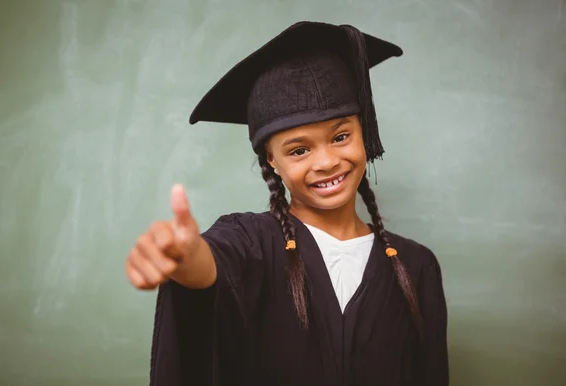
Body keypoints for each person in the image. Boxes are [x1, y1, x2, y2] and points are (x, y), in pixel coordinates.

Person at [125, 21, 449, 386]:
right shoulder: (250, 242)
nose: (326, 161)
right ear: (272, 160)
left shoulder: (416, 267)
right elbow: (212, 266)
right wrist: (183, 259)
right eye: (299, 150)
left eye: (341, 136)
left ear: (365, 133)